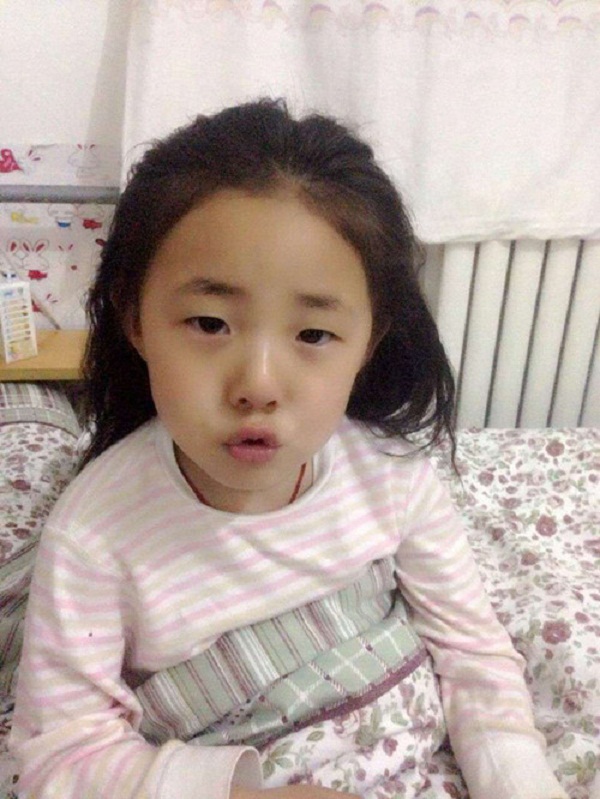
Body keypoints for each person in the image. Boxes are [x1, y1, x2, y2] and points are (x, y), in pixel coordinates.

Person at [10, 99, 566, 799]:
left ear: (368, 340)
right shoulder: (95, 533)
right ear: (136, 319)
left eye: (313, 335)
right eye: (210, 323)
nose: (259, 385)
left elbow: (473, 655)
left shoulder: (393, 476)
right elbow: (61, 753)